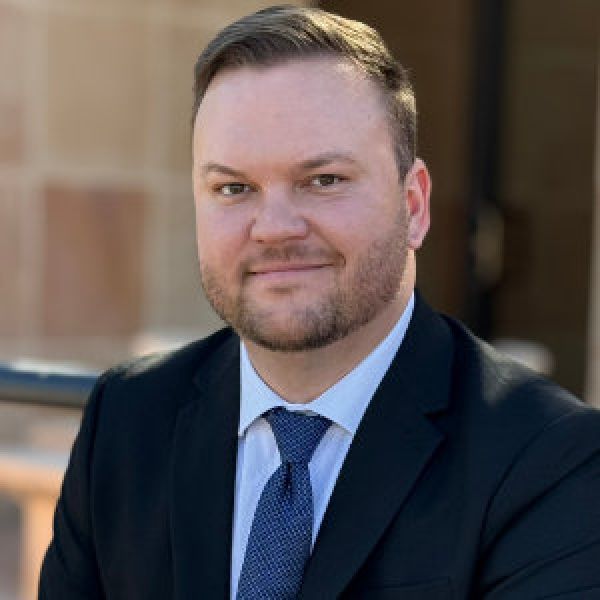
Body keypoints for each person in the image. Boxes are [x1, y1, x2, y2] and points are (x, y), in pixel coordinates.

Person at [39, 5, 600, 599]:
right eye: (234, 187)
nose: (275, 228)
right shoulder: (128, 418)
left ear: (413, 206)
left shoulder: (547, 458)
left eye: (324, 180)